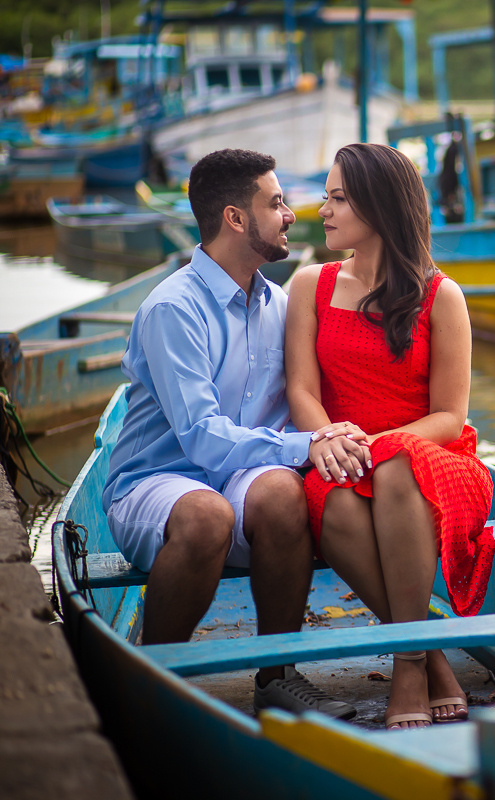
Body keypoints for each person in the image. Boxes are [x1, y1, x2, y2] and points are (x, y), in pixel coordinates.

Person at [102, 148, 356, 720]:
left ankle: (277, 675)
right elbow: (201, 438)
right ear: (236, 219)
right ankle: (153, 678)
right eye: (276, 202)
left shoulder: (280, 305)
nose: (292, 214)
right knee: (206, 515)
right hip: (156, 482)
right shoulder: (174, 308)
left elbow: (306, 398)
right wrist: (304, 445)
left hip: (240, 478)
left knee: (283, 494)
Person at [285, 142, 495, 730]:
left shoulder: (441, 296)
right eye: (325, 197)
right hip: (340, 459)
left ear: (378, 206)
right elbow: (302, 390)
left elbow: (450, 417)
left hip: (437, 460)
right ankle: (430, 654)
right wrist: (329, 439)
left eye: (338, 198)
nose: (323, 210)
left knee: (400, 462)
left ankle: (407, 668)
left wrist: (374, 446)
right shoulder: (311, 285)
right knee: (343, 509)